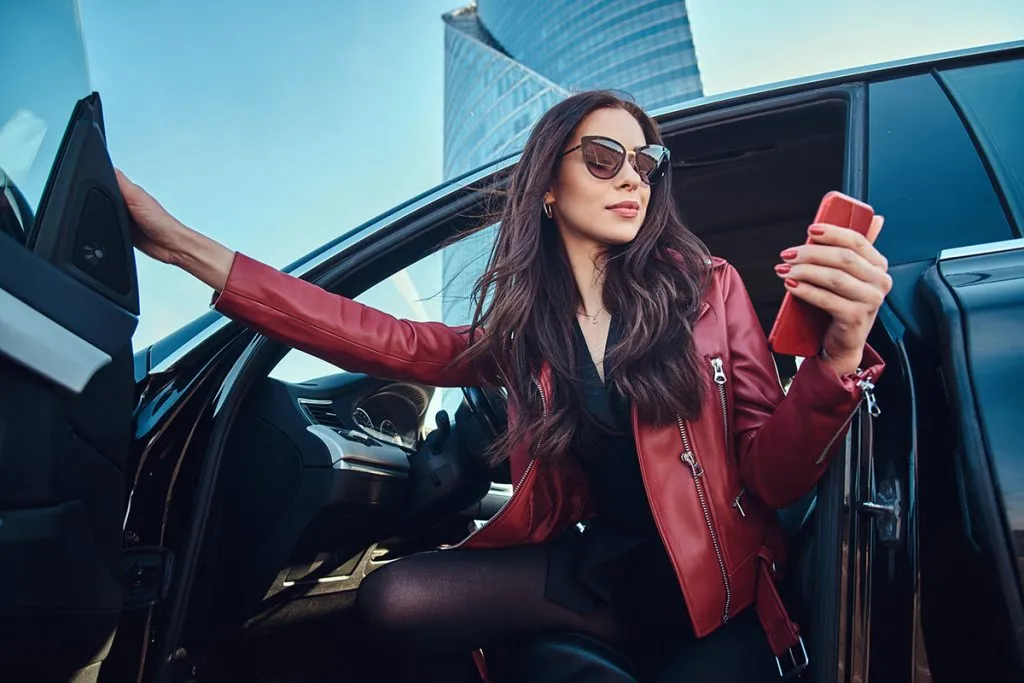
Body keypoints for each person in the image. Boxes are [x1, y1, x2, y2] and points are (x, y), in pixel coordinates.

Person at [118, 90, 890, 682]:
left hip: (718, 597)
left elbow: (773, 474)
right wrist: (184, 246)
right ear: (548, 184)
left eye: (646, 163)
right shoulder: (531, 331)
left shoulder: (706, 289)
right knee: (395, 598)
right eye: (603, 158)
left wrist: (836, 360)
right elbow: (384, 339)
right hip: (605, 572)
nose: (633, 178)